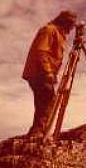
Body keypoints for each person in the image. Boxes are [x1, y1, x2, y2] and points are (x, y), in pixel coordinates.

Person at [22, 10, 77, 138]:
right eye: (70, 24)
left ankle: (37, 131)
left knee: (44, 101)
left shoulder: (57, 33)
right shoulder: (50, 30)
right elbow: (41, 52)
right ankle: (38, 132)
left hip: (40, 72)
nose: (71, 28)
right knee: (47, 101)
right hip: (39, 72)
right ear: (64, 22)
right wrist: (48, 72)